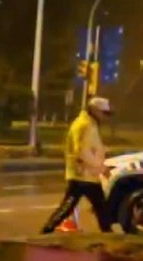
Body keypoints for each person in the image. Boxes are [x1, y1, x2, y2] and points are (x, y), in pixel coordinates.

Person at [42, 96, 114, 233]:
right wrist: (102, 168)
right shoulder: (83, 125)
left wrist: (103, 152)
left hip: (89, 176)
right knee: (67, 207)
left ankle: (108, 235)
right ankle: (46, 231)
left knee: (102, 209)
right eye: (104, 113)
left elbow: (91, 148)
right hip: (80, 176)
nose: (105, 117)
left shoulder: (91, 125)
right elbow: (81, 152)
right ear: (94, 110)